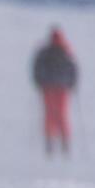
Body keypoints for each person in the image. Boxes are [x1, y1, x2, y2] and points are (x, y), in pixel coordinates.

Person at [31, 26, 77, 156]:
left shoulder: (46, 52)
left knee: (50, 116)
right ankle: (63, 143)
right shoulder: (66, 51)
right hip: (60, 89)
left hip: (50, 88)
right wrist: (72, 84)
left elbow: (37, 68)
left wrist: (39, 82)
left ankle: (51, 142)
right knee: (61, 116)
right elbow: (73, 70)